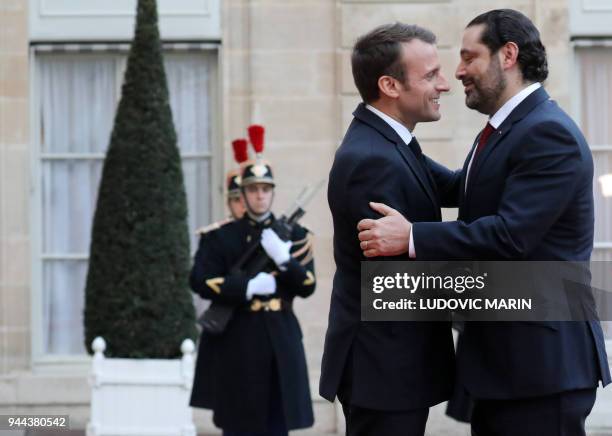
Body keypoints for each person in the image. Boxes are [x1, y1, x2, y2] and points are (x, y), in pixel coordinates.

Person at [357, 10, 611, 435]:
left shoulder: (548, 133)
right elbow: (464, 189)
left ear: (507, 55)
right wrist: (393, 140)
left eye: (468, 57)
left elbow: (512, 235)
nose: (457, 72)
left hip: (542, 370)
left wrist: (412, 237)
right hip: (506, 368)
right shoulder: (504, 128)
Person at [319, 23, 459, 436]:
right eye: (431, 74)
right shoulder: (372, 158)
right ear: (389, 85)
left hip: (392, 365)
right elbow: (396, 281)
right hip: (382, 369)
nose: (445, 84)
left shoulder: (388, 141)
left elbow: (455, 186)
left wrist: (511, 145)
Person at [189, 125, 316, 436]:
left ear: (272, 192)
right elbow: (199, 280)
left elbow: (308, 285)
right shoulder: (222, 237)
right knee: (239, 422)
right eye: (253, 190)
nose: (260, 195)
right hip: (239, 339)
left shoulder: (296, 236)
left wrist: (284, 260)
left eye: (266, 189)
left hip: (280, 337)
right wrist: (246, 287)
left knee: (278, 423)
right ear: (242, 194)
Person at [194, 138, 248, 237]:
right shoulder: (215, 234)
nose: (243, 205)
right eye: (237, 200)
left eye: (246, 199)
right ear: (228, 203)